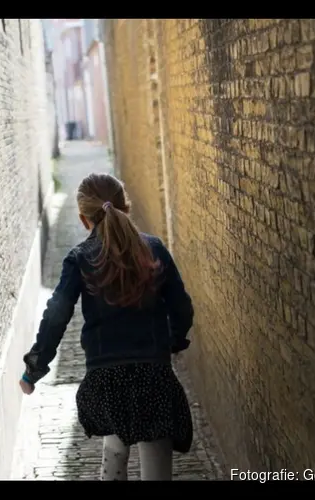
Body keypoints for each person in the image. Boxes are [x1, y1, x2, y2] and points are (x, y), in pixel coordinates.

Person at [18, 172, 195, 481]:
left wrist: (34, 368)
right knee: (155, 450)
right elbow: (181, 306)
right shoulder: (153, 249)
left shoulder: (79, 259)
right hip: (153, 375)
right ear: (125, 207)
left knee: (116, 431)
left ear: (85, 219)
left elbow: (56, 315)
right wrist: (174, 340)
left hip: (105, 381)